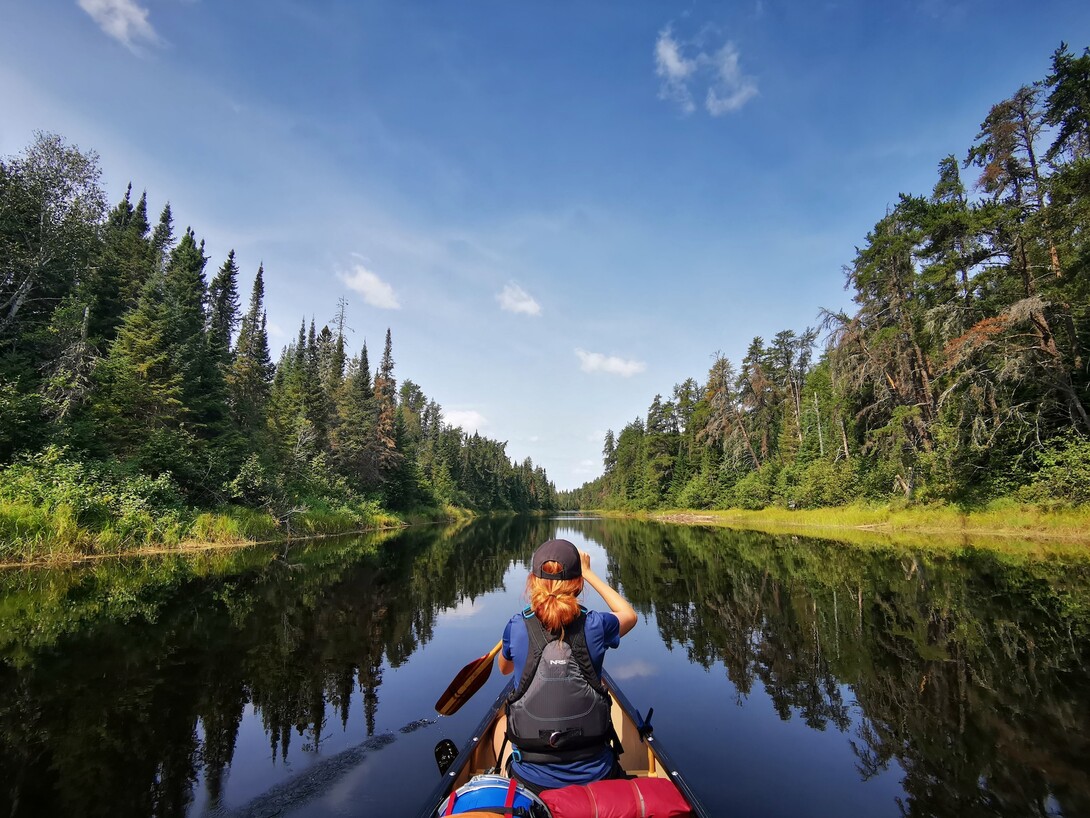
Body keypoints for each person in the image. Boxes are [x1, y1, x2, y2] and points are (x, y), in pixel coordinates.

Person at [496, 538, 638, 794]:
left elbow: (504, 669)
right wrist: (590, 573)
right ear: (578, 582)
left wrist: (518, 629)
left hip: (530, 782)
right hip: (598, 775)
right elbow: (629, 615)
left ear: (533, 581)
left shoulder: (517, 626)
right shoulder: (595, 625)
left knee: (498, 728)